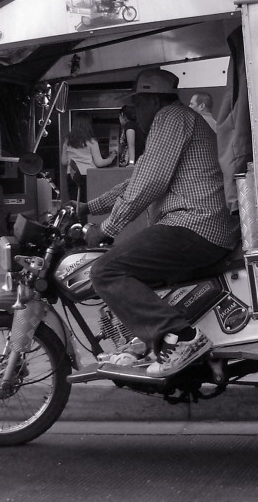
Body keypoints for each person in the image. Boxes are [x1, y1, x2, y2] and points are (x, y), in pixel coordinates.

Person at [82, 69, 239, 377]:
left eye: (135, 105)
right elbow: (137, 179)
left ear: (152, 100)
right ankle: (144, 341)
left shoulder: (171, 118)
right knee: (135, 269)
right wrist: (86, 208)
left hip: (196, 224)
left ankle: (183, 337)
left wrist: (108, 228)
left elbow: (150, 182)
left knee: (106, 270)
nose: (133, 114)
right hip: (198, 225)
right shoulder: (170, 123)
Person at [61, 114, 115, 201]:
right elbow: (99, 163)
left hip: (72, 175)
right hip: (88, 175)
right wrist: (111, 158)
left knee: (75, 203)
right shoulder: (92, 141)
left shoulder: (67, 141)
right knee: (87, 204)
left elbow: (64, 161)